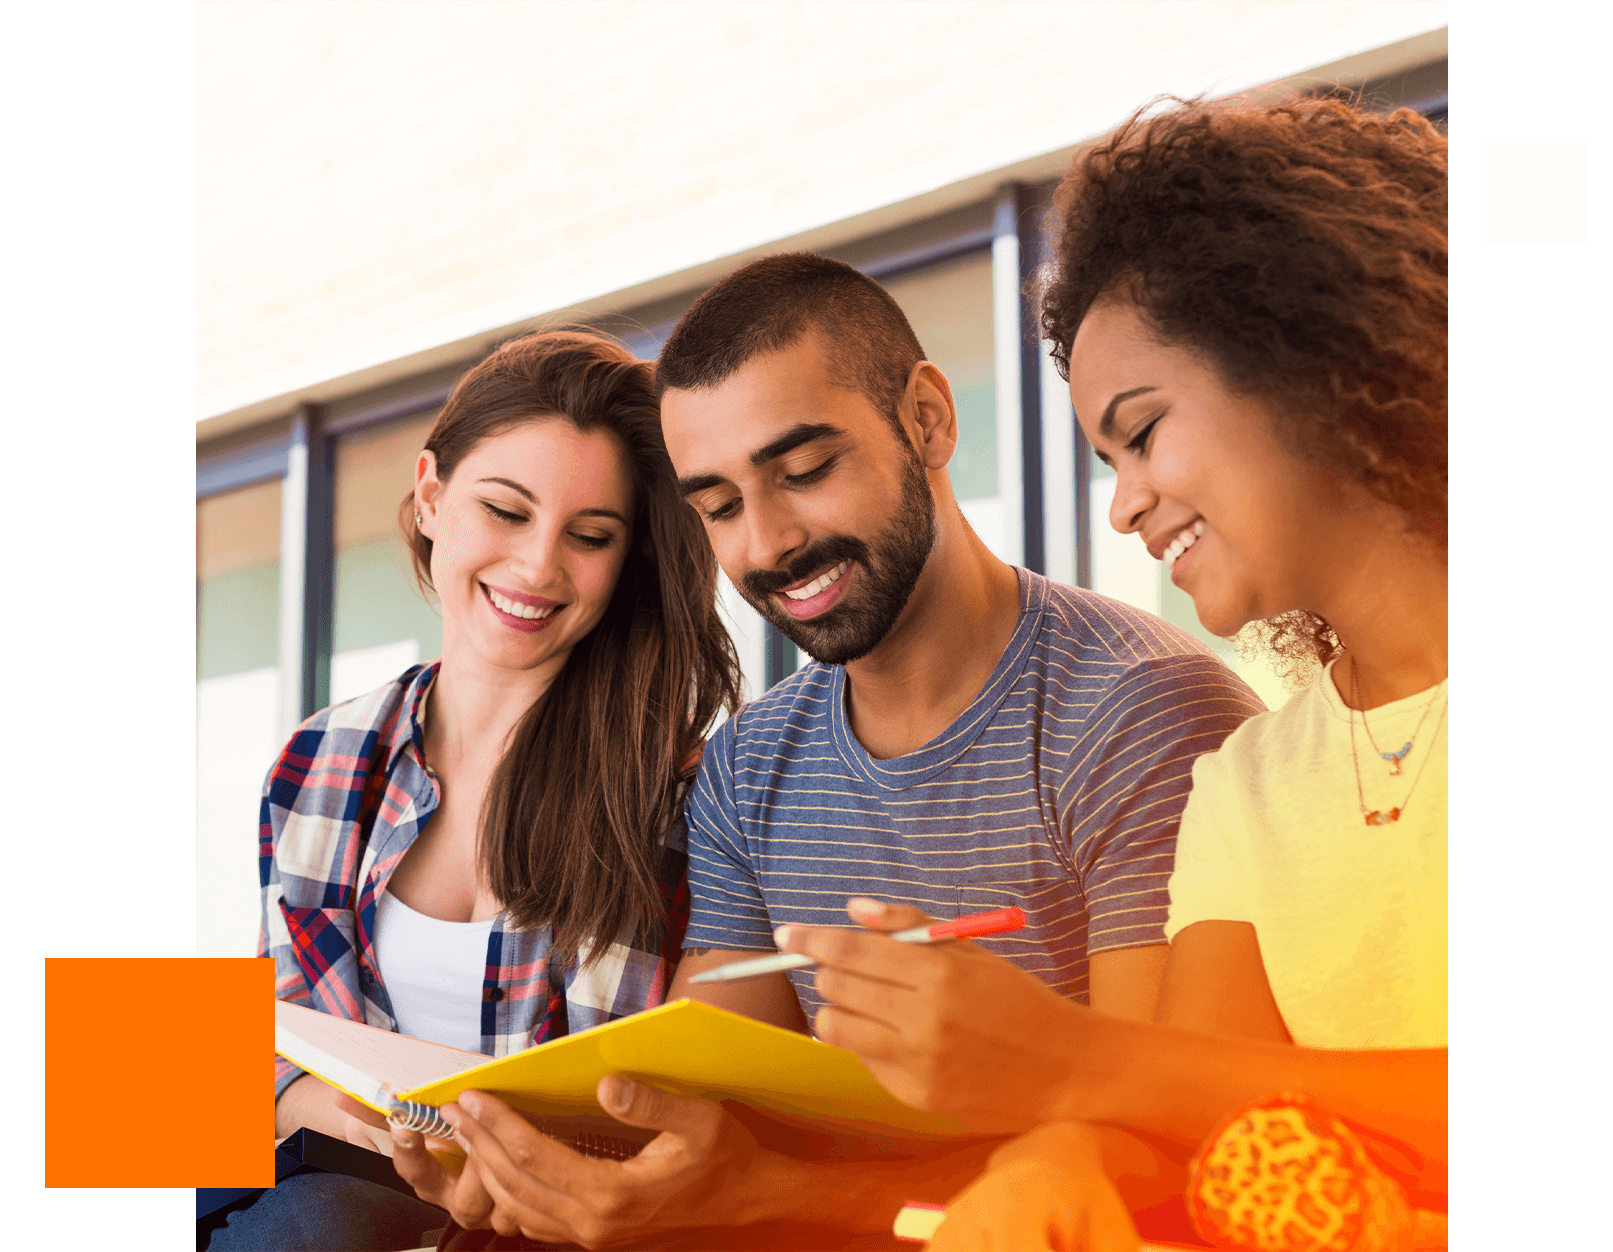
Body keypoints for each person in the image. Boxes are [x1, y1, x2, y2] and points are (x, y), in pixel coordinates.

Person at [390, 252, 1268, 1249]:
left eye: (805, 471)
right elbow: (696, 1119)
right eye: (717, 507)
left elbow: (1150, 1153)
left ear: (927, 419)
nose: (765, 544)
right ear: (427, 498)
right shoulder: (744, 770)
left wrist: (737, 1187)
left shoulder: (1138, 711)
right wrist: (462, 1153)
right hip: (309, 1172)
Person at [772, 88, 1449, 1250]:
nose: (1124, 501)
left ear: (1308, 351)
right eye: (1101, 457)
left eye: (1139, 432)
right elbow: (1200, 1105)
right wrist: (1050, 1165)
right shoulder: (1246, 786)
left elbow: (1164, 1081)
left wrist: (1066, 1061)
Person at [210, 329, 743, 1251]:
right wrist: (359, 1120)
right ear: (430, 496)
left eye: (590, 536)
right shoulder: (321, 759)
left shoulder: (679, 795)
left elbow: (649, 1110)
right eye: (505, 511)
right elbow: (275, 1044)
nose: (538, 567)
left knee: (316, 1225)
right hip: (329, 1180)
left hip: (537, 1227)